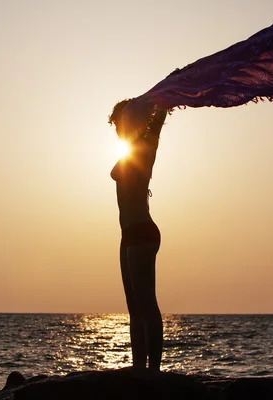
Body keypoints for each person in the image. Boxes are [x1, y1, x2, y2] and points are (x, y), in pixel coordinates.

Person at [109, 99, 167, 371]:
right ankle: (138, 368)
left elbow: (156, 124)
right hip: (127, 236)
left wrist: (165, 102)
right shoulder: (127, 148)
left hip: (143, 233)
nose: (119, 126)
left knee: (147, 305)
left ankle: (154, 372)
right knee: (134, 309)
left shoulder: (146, 145)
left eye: (123, 120)